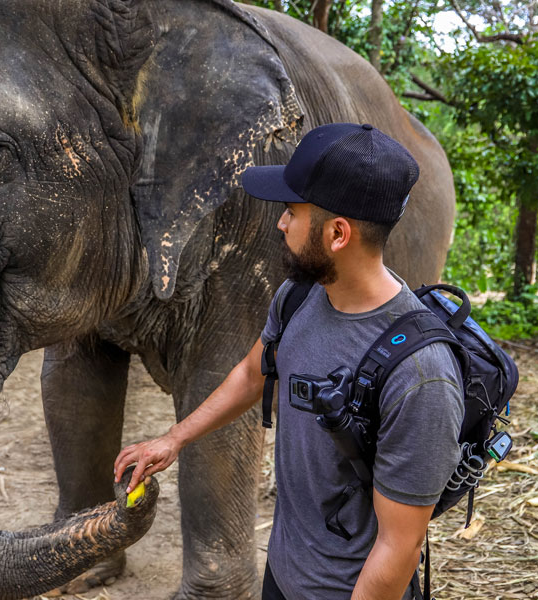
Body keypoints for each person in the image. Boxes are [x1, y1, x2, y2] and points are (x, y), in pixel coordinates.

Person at [114, 123, 463, 600]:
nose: (280, 224)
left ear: (338, 233)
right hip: (281, 574)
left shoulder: (420, 375)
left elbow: (399, 545)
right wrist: (173, 439)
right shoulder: (299, 296)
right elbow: (252, 373)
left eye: (291, 212)